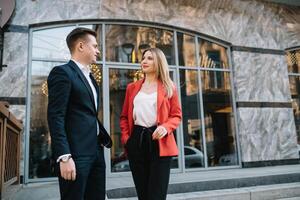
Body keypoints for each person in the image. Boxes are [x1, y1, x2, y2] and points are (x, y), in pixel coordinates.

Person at [47, 27, 112, 200]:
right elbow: (55, 116)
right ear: (81, 46)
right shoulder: (62, 73)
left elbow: (88, 113)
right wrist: (63, 156)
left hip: (96, 153)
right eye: (95, 46)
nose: (98, 51)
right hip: (75, 155)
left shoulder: (91, 78)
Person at [120, 48, 182, 200]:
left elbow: (176, 115)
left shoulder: (169, 87)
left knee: (157, 194)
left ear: (159, 62)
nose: (144, 61)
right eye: (143, 58)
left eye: (150, 58)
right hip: (137, 140)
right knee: (143, 193)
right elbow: (123, 117)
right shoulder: (132, 88)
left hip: (159, 141)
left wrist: (165, 127)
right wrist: (127, 139)